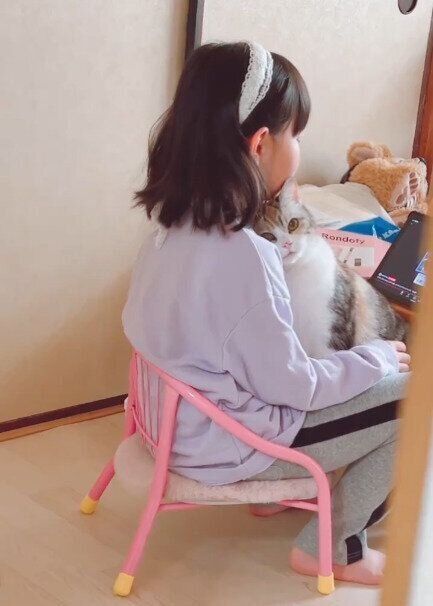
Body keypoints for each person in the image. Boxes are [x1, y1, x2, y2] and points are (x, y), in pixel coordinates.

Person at [122, 42, 410, 586]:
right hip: (229, 444)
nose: (297, 147)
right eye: (294, 135)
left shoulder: (169, 225)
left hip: (172, 425)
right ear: (260, 144)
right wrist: (373, 360)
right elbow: (294, 387)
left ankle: (301, 503)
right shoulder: (245, 256)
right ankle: (335, 549)